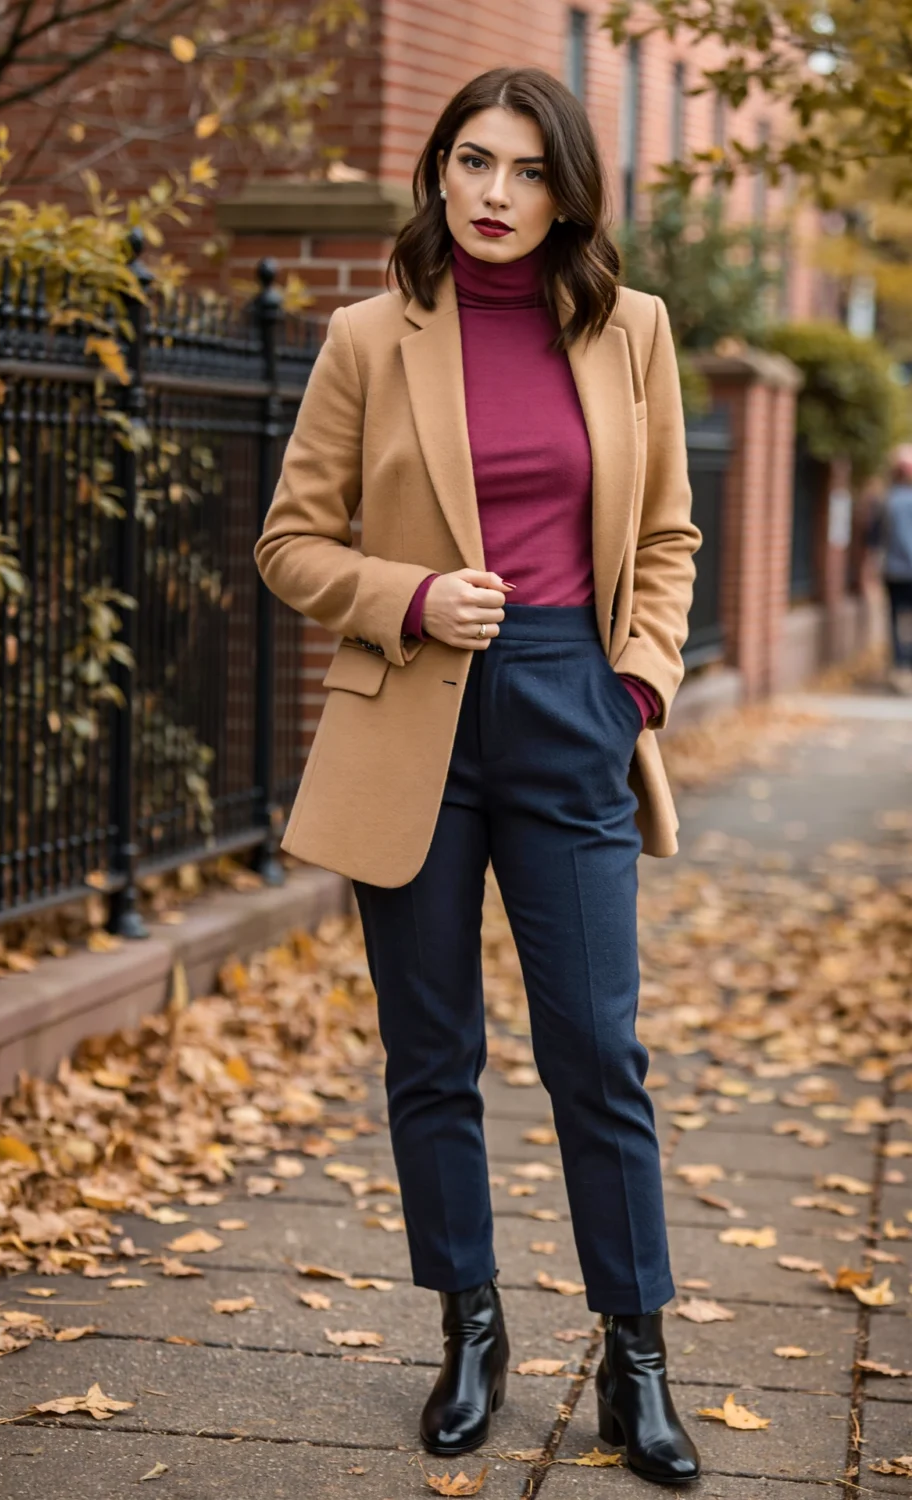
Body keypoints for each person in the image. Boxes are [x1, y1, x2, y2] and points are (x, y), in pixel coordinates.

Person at [255, 66, 702, 1486]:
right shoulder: (369, 339)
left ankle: (638, 1356)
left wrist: (634, 681)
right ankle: (470, 1327)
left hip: (573, 701)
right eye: (471, 163)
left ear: (567, 187)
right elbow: (289, 543)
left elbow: (677, 538)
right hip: (415, 721)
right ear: (436, 174)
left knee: (597, 1052)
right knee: (432, 1053)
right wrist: (403, 597)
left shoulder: (632, 332)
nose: (495, 194)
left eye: (524, 168)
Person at [877, 450, 912, 693]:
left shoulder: (889, 499)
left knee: (896, 617)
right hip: (905, 569)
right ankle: (904, 666)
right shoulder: (904, 500)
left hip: (893, 570)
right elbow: (904, 537)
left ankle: (901, 666)